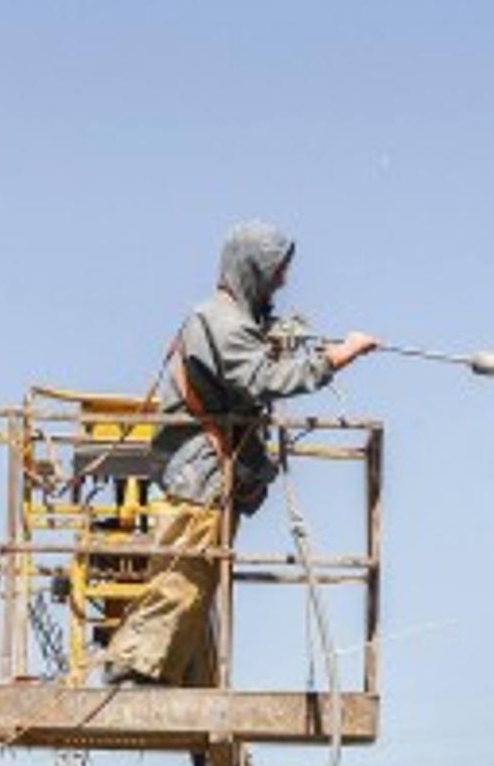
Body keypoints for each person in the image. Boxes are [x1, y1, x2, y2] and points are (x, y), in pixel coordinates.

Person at [103, 220, 377, 686]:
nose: (282, 282)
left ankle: (151, 668)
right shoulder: (224, 324)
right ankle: (133, 667)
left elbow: (248, 362)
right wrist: (333, 358)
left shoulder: (228, 320)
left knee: (194, 575)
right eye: (275, 272)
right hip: (200, 471)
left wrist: (280, 337)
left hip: (205, 472)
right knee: (182, 575)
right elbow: (260, 380)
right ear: (253, 269)